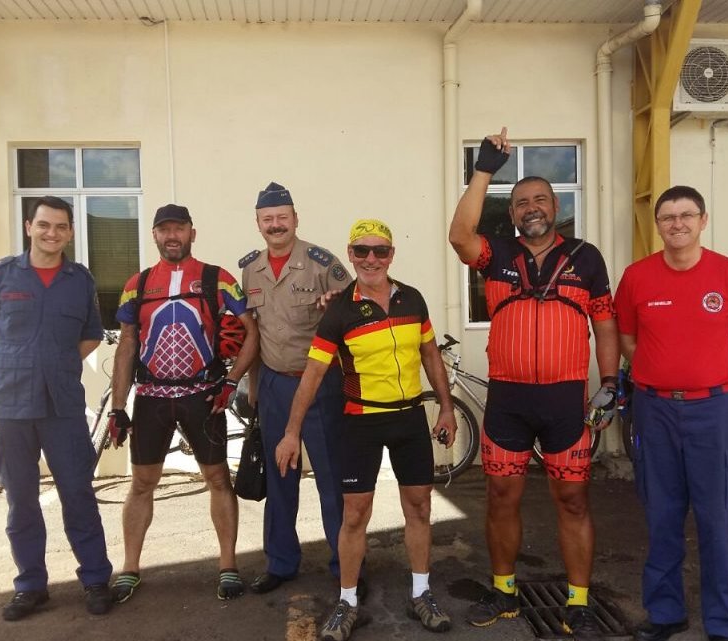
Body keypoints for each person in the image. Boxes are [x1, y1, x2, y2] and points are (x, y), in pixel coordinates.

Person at [448, 128, 619, 640]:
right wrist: (483, 170)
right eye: (521, 202)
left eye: (540, 199)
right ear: (513, 212)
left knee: (573, 501)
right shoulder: (496, 254)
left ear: (556, 205)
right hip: (510, 400)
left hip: (566, 399)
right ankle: (504, 591)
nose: (531, 208)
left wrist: (609, 382)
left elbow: (605, 324)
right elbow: (459, 236)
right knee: (501, 495)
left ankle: (579, 602)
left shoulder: (586, 257)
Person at [275, 219, 457, 641]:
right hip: (361, 420)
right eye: (362, 251)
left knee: (420, 508)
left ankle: (421, 592)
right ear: (351, 255)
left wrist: (446, 407)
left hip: (410, 418)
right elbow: (313, 375)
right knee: (354, 515)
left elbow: (430, 355)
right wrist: (291, 431)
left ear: (391, 254)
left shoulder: (412, 299)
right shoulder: (339, 310)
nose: (371, 259)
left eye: (380, 250)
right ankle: (348, 601)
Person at [614, 186, 728, 641]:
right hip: (655, 409)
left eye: (686, 215)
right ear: (657, 225)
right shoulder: (637, 277)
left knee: (718, 519)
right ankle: (666, 614)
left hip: (712, 411)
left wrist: (709, 377)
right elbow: (629, 340)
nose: (676, 223)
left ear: (703, 220)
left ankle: (721, 622)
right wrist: (665, 375)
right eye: (667, 217)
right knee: (662, 514)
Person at [106, 203, 258, 603]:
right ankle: (130, 568)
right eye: (164, 230)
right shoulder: (136, 284)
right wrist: (118, 407)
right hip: (152, 396)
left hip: (201, 395)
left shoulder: (216, 278)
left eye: (179, 229)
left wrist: (231, 380)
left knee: (218, 479)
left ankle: (228, 566)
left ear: (193, 232)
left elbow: (251, 331)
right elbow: (126, 344)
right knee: (141, 484)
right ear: (154, 235)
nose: (172, 236)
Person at [0, 196, 113, 621]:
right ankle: (31, 585)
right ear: (30, 226)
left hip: (62, 405)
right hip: (12, 405)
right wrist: (14, 367)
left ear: (70, 232)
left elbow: (90, 335)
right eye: (44, 225)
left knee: (78, 494)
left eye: (61, 227)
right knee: (22, 500)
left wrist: (57, 361)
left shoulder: (80, 280)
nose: (52, 233)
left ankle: (94, 579)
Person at [239, 182, 354, 594]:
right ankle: (281, 562)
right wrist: (252, 387)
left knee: (330, 477)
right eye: (268, 219)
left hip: (320, 384)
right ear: (258, 223)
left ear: (295, 219)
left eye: (282, 217)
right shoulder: (250, 270)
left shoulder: (323, 263)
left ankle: (346, 565)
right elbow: (256, 333)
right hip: (272, 385)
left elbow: (352, 315)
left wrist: (335, 307)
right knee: (279, 476)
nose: (276, 225)